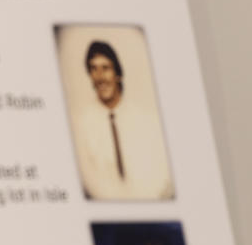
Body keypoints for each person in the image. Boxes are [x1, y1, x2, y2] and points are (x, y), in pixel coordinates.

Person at [70, 39, 174, 200]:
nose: (100, 77)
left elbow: (162, 175)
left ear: (118, 74)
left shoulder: (146, 120)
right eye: (93, 69)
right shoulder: (80, 126)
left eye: (106, 68)